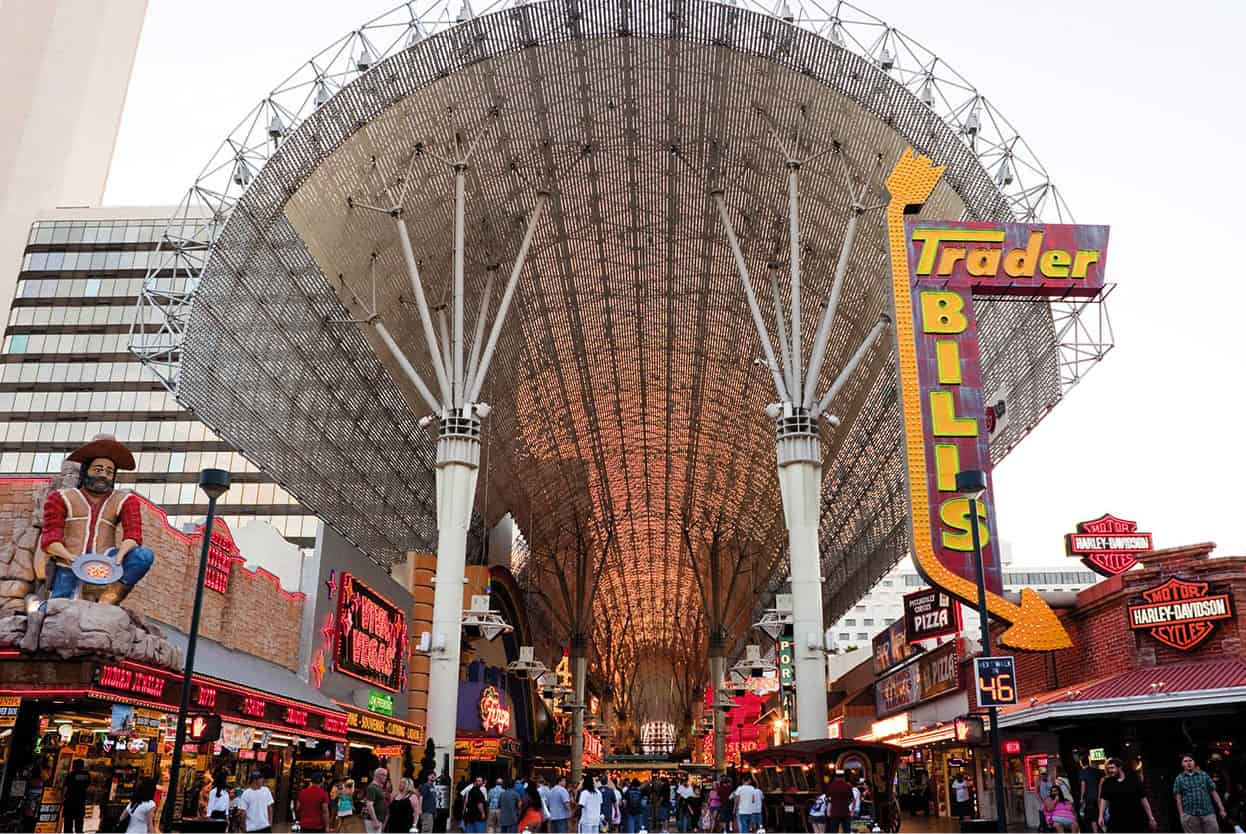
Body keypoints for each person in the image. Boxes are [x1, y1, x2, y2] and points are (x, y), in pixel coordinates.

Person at [38, 436, 155, 604]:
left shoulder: (125, 500)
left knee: (144, 555)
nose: (103, 475)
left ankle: (109, 597)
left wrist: (118, 559)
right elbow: (49, 539)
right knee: (57, 610)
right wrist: (71, 558)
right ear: (86, 470)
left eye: (109, 472)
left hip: (105, 562)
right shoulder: (61, 497)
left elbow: (133, 536)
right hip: (69, 564)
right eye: (98, 469)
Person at [1098, 758, 1156, 833]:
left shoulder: (1133, 779)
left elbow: (1143, 799)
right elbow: (1104, 799)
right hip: (1116, 820)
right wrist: (1101, 815)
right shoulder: (1107, 782)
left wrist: (1151, 817)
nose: (1110, 771)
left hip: (1135, 819)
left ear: (1119, 767)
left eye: (1112, 768)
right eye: (1108, 768)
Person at [1174, 754, 1227, 833]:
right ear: (1182, 764)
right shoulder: (1179, 779)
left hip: (1208, 814)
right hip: (1190, 815)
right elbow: (1178, 798)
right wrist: (1182, 815)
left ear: (1194, 762)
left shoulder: (1204, 775)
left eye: (1190, 760)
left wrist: (1221, 809)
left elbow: (1214, 793)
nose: (1188, 763)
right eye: (1185, 761)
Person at [60, 758, 92, 833]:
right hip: (81, 802)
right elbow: (88, 786)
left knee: (68, 824)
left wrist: (62, 799)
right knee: (79, 824)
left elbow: (65, 788)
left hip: (70, 802)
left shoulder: (71, 775)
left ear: (74, 766)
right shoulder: (87, 775)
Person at [1076, 756, 1102, 833]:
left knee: (1091, 818)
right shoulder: (1096, 771)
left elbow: (1083, 785)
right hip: (1098, 797)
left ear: (1081, 763)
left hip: (1089, 798)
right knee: (1098, 815)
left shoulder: (1082, 772)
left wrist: (1081, 798)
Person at [365, 769, 391, 834]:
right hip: (373, 821)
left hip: (379, 820)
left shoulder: (379, 787)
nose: (386, 777)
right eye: (384, 775)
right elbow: (369, 805)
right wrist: (375, 820)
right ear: (378, 775)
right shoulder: (372, 787)